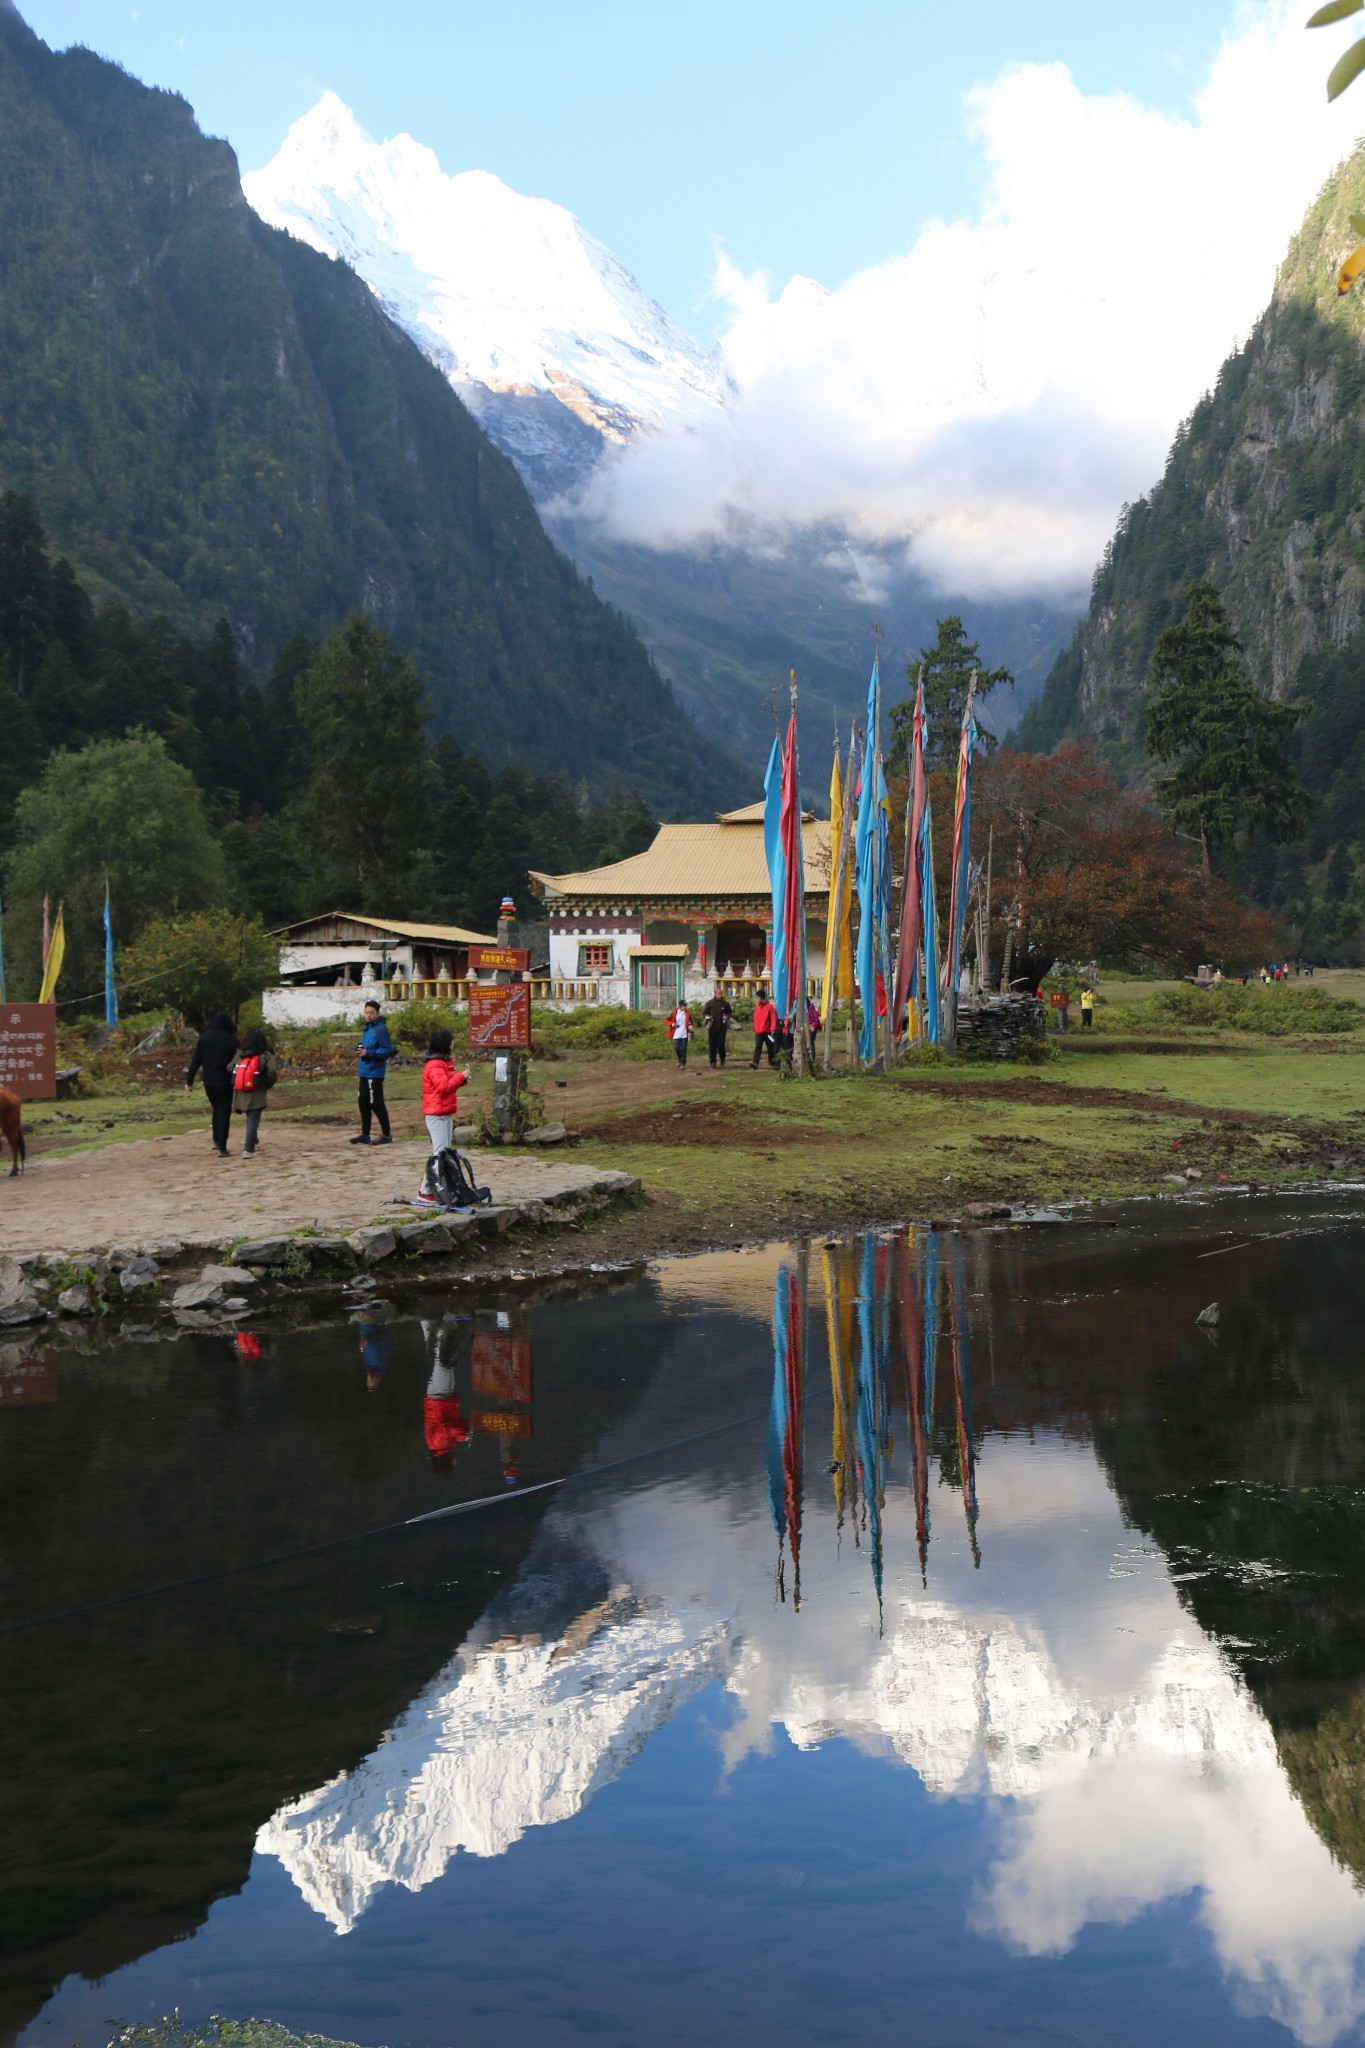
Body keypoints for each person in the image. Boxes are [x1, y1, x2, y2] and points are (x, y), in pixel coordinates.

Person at [420, 1027, 470, 1198]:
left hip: (444, 1112)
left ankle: (435, 1188)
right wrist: (460, 1077)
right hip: (436, 1115)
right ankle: (425, 1191)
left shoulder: (442, 1063)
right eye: (451, 1041)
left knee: (444, 1153)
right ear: (446, 1045)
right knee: (440, 1154)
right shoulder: (435, 1065)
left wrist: (461, 1081)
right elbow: (443, 1087)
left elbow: (447, 1084)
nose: (453, 1043)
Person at [185, 1011, 239, 1157]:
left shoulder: (204, 1039)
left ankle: (216, 1140)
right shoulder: (233, 1040)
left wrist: (189, 1081)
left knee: (216, 1108)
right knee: (224, 1110)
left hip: (208, 1081)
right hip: (225, 1081)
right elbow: (238, 1062)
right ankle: (222, 1146)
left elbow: (196, 1061)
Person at [353, 998, 395, 1144]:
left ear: (377, 1013)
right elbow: (365, 1045)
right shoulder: (367, 1028)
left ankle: (386, 1134)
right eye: (366, 1012)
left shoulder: (380, 1029)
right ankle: (365, 1134)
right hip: (364, 1071)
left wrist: (369, 1053)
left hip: (374, 1073)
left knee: (376, 1103)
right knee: (363, 1103)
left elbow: (387, 1049)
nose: (368, 1015)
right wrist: (359, 1049)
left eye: (371, 1012)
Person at [232, 1027, 278, 1155]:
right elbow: (271, 1071)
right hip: (257, 1090)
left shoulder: (240, 1054)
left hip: (241, 1091)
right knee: (253, 1119)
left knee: (251, 1117)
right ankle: (248, 1148)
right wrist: (268, 1084)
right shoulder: (265, 1055)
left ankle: (255, 1140)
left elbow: (230, 1068)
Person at [702, 986, 734, 1068]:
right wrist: (707, 1017)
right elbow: (704, 1013)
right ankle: (712, 1061)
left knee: (721, 1045)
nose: (720, 995)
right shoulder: (710, 1003)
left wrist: (727, 1017)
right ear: (715, 994)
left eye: (721, 994)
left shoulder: (725, 1003)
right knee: (712, 1045)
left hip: (722, 1028)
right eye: (718, 994)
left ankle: (722, 1058)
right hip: (712, 1028)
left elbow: (729, 1012)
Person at [751, 987, 778, 1067]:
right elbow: (756, 1018)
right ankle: (755, 1062)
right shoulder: (757, 1006)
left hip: (767, 1031)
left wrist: (773, 1029)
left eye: (757, 997)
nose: (756, 999)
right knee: (758, 1047)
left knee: (770, 1048)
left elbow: (773, 1018)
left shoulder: (769, 1007)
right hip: (759, 1031)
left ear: (761, 998)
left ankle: (772, 1062)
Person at [667, 998, 693, 1067]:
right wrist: (672, 1025)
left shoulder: (687, 1013)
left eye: (685, 1006)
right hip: (676, 1033)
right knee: (677, 1048)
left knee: (684, 1049)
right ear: (680, 1006)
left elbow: (690, 1021)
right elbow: (667, 1020)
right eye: (684, 1006)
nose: (685, 1007)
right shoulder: (674, 1013)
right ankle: (680, 1059)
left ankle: (683, 1063)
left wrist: (690, 1026)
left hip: (684, 1033)